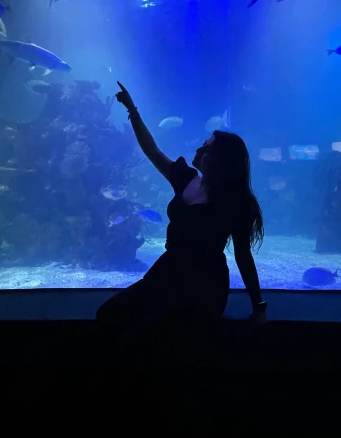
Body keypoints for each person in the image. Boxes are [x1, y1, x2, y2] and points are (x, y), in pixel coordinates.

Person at [95, 81, 268, 346]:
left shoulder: (236, 202)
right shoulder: (186, 179)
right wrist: (133, 110)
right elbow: (152, 150)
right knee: (108, 314)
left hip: (204, 284)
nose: (198, 150)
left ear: (221, 160)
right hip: (168, 271)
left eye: (206, 148)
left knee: (143, 337)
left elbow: (243, 255)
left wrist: (258, 305)